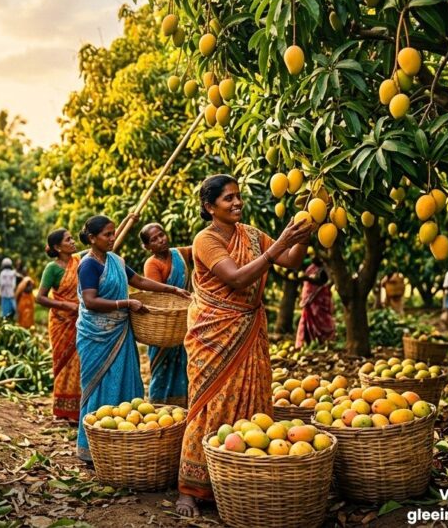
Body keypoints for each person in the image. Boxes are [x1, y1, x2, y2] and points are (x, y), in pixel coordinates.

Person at [176, 175, 314, 516]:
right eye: (228, 199)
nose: (237, 203)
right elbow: (237, 278)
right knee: (209, 404)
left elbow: (290, 261)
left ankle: (241, 479)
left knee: (252, 398)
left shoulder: (250, 234)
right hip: (214, 333)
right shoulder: (205, 240)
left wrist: (309, 227)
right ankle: (190, 489)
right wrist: (279, 243)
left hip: (249, 327)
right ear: (210, 207)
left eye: (238, 197)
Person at [75, 215, 191, 463]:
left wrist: (172, 289)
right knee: (97, 385)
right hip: (96, 335)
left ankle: (124, 443)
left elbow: (137, 280)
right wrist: (126, 303)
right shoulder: (88, 265)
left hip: (120, 331)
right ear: (92, 238)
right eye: (107, 234)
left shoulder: (115, 260)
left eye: (113, 233)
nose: (112, 238)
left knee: (126, 379)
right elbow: (90, 301)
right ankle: (92, 448)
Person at [139, 223, 191, 407]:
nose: (161, 240)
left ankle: (183, 406)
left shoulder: (180, 255)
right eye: (154, 239)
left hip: (183, 320)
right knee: (162, 368)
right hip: (165, 322)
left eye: (161, 235)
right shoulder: (152, 264)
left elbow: (200, 249)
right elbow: (159, 296)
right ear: (147, 246)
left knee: (184, 365)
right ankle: (159, 405)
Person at [36, 229, 82, 422]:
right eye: (68, 239)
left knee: (78, 362)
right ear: (57, 247)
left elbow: (104, 243)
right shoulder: (52, 269)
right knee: (63, 363)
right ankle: (63, 409)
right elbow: (40, 297)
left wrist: (129, 220)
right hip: (61, 321)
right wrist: (65, 305)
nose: (73, 242)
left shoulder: (79, 261)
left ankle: (77, 409)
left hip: (79, 319)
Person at [294, 256, 335, 348]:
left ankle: (325, 341)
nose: (313, 257)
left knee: (321, 320)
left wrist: (307, 278)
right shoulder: (309, 267)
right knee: (307, 320)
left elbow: (321, 281)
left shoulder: (324, 269)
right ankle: (308, 343)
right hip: (309, 301)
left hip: (319, 299)